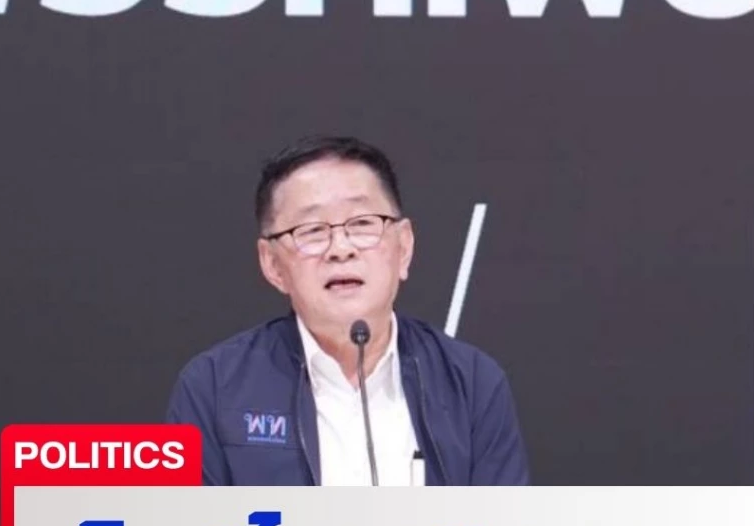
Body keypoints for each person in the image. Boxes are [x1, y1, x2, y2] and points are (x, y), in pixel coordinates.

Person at [166, 136, 530, 485]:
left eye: (362, 224)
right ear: (272, 264)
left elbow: (502, 525)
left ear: (404, 248)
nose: (340, 248)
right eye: (311, 230)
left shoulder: (472, 383)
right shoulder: (211, 387)